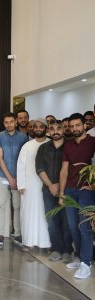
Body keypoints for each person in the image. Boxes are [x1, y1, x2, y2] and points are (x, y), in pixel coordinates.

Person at [59, 113, 95, 279]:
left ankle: (86, 264)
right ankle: (81, 257)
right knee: (73, 226)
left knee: (84, 227)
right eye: (72, 126)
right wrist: (61, 192)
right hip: (70, 190)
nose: (74, 129)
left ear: (84, 125)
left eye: (77, 125)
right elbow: (64, 170)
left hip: (86, 191)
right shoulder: (68, 145)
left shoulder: (93, 142)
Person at [35, 120, 72, 262]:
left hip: (67, 190)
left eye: (59, 128)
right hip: (48, 190)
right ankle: (56, 248)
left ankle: (68, 250)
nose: (55, 131)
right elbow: (39, 169)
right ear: (49, 131)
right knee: (52, 220)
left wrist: (60, 185)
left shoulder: (70, 146)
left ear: (63, 129)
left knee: (67, 220)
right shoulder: (43, 148)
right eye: (52, 129)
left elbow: (72, 169)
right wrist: (50, 185)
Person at [17, 118, 50, 250]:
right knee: (29, 214)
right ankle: (29, 241)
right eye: (35, 126)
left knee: (45, 214)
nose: (37, 129)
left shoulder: (51, 144)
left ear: (46, 128)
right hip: (29, 186)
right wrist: (21, 185)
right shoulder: (27, 145)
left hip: (47, 186)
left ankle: (46, 243)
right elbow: (21, 166)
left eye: (40, 126)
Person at [0, 112, 28, 246]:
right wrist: (10, 178)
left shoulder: (23, 137)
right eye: (6, 122)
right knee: (0, 205)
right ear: (4, 123)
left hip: (19, 177)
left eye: (11, 122)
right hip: (3, 176)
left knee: (18, 206)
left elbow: (24, 159)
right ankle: (0, 234)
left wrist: (16, 178)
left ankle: (18, 233)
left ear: (15, 122)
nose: (9, 124)